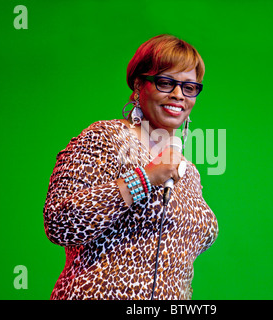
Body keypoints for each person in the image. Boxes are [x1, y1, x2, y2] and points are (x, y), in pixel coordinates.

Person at [43, 34, 218, 300]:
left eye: (189, 87)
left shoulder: (189, 171)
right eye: (165, 82)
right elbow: (61, 223)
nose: (178, 95)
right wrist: (145, 178)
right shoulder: (105, 137)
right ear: (139, 84)